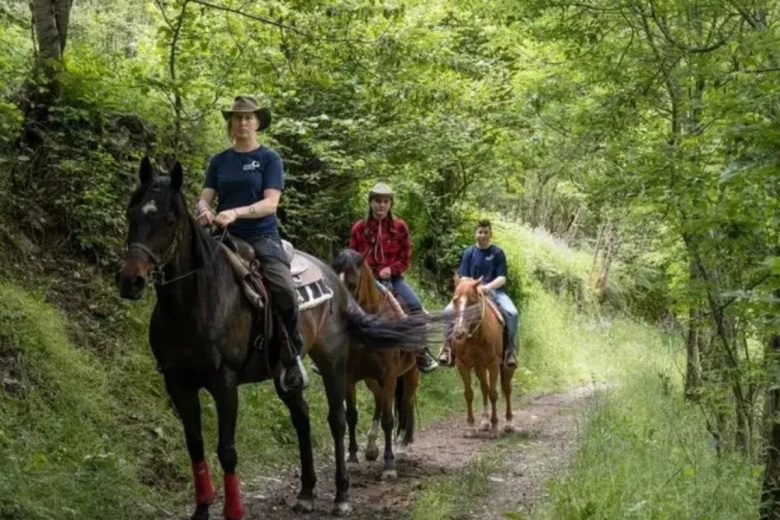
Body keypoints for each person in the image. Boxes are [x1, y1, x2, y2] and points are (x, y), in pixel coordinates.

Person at [196, 95, 307, 392]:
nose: (242, 122)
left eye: (248, 118)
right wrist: (205, 211)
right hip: (223, 236)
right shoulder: (219, 160)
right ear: (231, 123)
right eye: (237, 118)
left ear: (257, 122)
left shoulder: (270, 159)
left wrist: (235, 211)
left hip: (261, 236)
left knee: (283, 288)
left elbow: (271, 204)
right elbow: (205, 197)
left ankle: (292, 353)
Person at [348, 183, 438, 373]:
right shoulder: (358, 228)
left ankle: (422, 353)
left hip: (393, 279)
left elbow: (405, 257)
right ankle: (333, 351)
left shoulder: (399, 227)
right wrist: (367, 272)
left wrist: (391, 269)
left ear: (390, 204)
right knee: (342, 307)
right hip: (367, 280)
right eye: (377, 201)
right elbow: (353, 258)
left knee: (414, 305)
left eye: (385, 201)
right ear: (371, 202)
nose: (381, 205)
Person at [438, 219, 518, 368]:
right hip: (470, 293)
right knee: (447, 313)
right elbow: (463, 277)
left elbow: (502, 277)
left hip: (495, 291)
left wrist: (487, 287)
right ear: (475, 233)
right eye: (480, 232)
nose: (483, 235)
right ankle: (447, 348)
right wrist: (473, 286)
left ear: (490, 234)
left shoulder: (497, 252)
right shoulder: (468, 252)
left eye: (486, 232)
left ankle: (510, 350)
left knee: (512, 313)